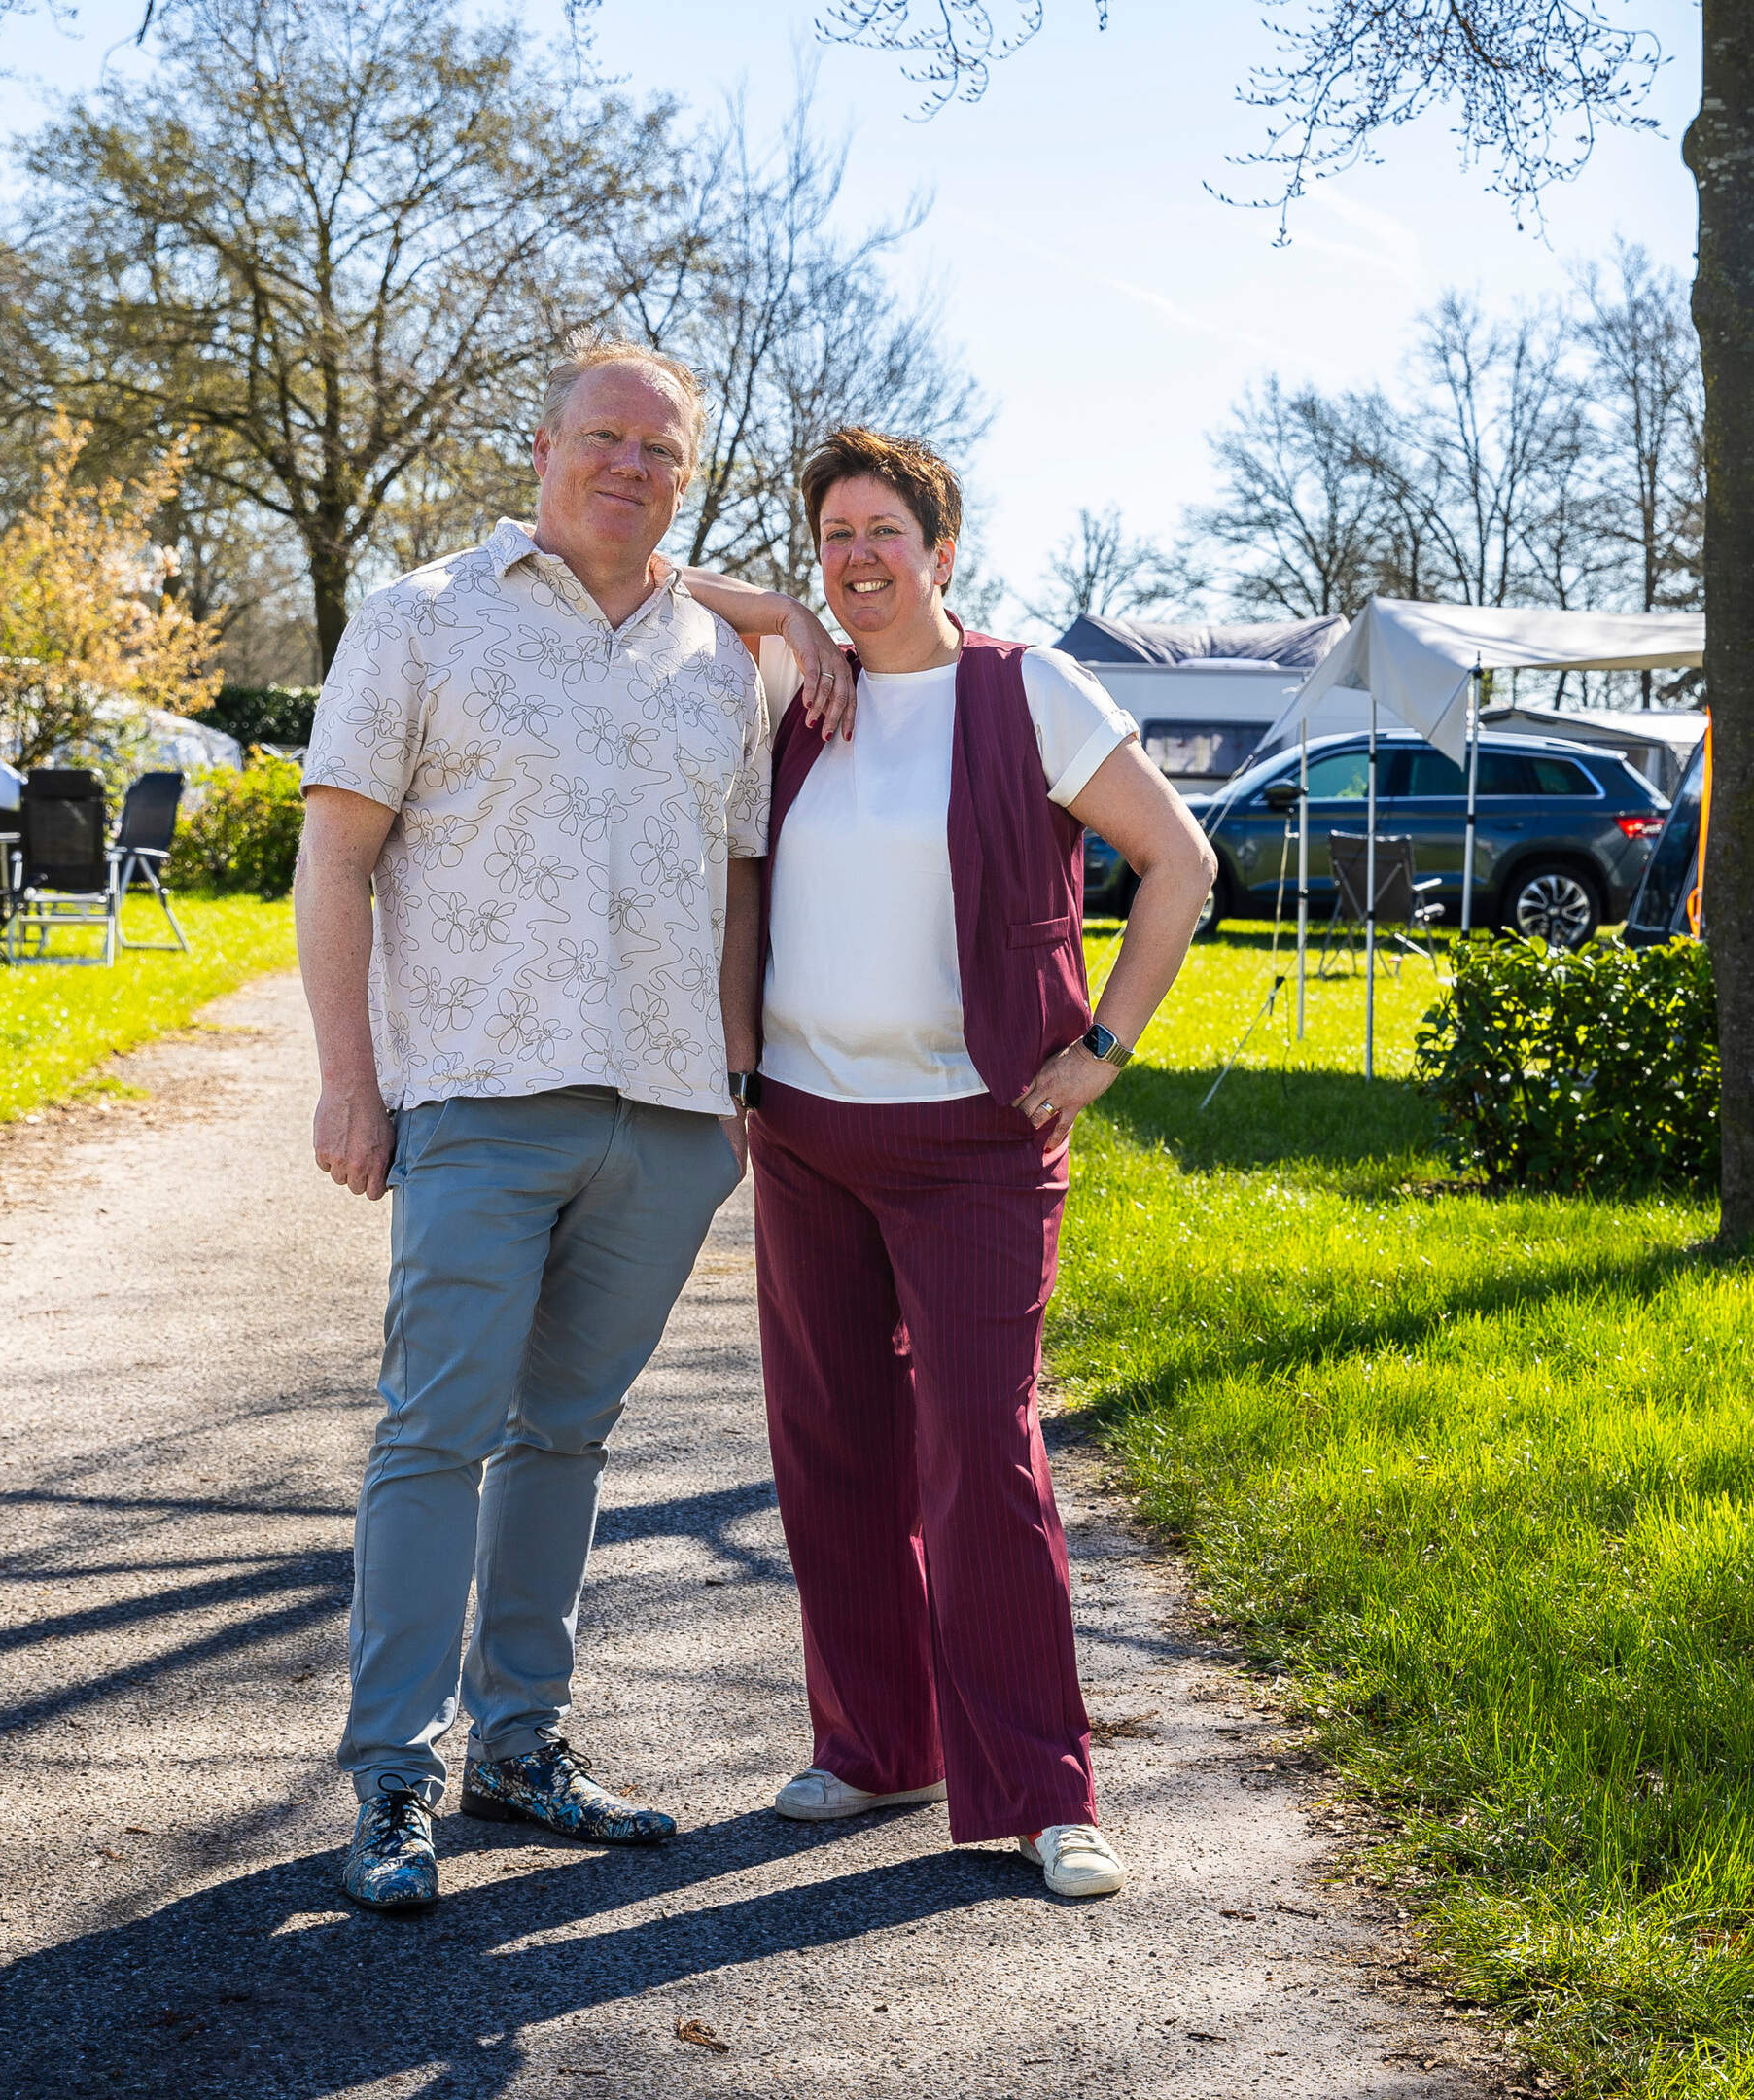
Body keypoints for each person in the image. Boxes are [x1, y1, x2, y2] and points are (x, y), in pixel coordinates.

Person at [294, 342, 845, 1914]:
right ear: (537, 447)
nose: (628, 468)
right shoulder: (417, 620)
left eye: (660, 452)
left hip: (671, 1113)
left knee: (568, 1436)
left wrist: (737, 1077)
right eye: (602, 439)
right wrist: (351, 1079)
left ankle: (519, 1747)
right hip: (478, 1091)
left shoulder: (719, 663)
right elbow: (336, 862)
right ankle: (394, 1775)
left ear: (689, 478)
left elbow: (741, 879)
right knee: (434, 1433)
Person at [738, 426, 1218, 1900]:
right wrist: (774, 617)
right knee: (833, 1451)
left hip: (977, 1141)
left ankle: (1042, 1786)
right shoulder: (795, 695)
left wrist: (1107, 1048)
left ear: (944, 552)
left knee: (979, 1450)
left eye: (886, 532)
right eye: (833, 538)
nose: (860, 559)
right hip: (807, 1128)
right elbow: (659, 589)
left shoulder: (1027, 692)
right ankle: (877, 1741)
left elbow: (1182, 864)